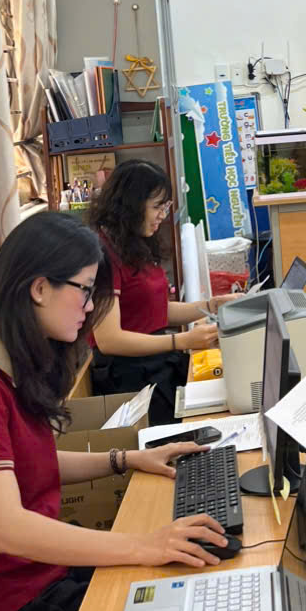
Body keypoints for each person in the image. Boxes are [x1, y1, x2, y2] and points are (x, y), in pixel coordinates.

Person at [0, 212, 231, 611]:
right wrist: (143, 544)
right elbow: (8, 530)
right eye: (84, 290)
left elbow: (28, 464)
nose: (89, 308)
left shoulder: (3, 365)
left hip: (35, 585)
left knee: (176, 580)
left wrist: (125, 459)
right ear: (39, 288)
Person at [88, 159, 236, 424]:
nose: (162, 215)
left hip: (154, 363)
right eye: (157, 207)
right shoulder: (103, 253)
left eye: (165, 207)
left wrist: (213, 305)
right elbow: (109, 339)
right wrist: (181, 341)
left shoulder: (134, 243)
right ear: (131, 205)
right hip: (129, 378)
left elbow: (154, 311)